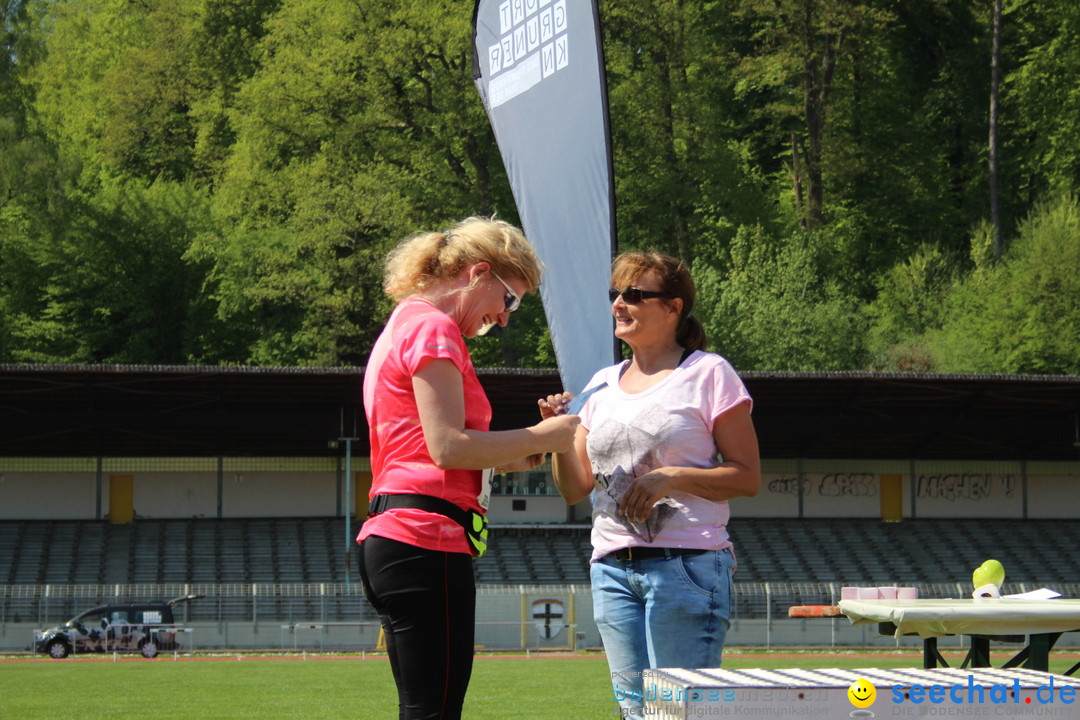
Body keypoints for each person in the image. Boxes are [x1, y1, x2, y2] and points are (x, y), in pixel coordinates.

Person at [358, 216, 580, 720]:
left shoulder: (407, 321)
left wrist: (522, 450)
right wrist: (546, 436)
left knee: (424, 709)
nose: (505, 318)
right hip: (424, 538)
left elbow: (431, 449)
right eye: (510, 300)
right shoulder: (434, 327)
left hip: (400, 534)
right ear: (479, 273)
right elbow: (447, 448)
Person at [539, 251, 760, 718]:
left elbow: (747, 476)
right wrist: (559, 436)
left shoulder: (708, 372)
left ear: (674, 308)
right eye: (616, 294)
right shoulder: (600, 384)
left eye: (635, 295)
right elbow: (573, 489)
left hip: (688, 566)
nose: (620, 303)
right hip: (612, 569)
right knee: (636, 713)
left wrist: (672, 476)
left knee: (680, 713)